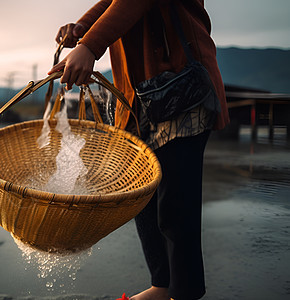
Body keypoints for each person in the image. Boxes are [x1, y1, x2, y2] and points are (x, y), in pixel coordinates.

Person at [48, 0, 230, 299]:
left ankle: (183, 293)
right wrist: (82, 30)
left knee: (174, 206)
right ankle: (162, 286)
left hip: (178, 88)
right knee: (143, 200)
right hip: (139, 97)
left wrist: (90, 46)